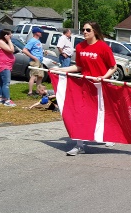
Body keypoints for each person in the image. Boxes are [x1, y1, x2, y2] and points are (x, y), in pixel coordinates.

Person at [56, 21, 118, 156]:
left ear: (94, 31)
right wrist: (61, 69)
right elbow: (79, 67)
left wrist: (103, 77)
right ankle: (79, 145)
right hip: (85, 87)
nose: (84, 32)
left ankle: (109, 136)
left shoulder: (103, 47)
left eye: (88, 30)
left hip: (101, 86)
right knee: (81, 113)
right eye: (83, 29)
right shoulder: (79, 47)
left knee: (103, 113)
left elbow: (113, 67)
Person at [0, 29, 16, 107]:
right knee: (6, 83)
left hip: (6, 64)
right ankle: (7, 100)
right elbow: (11, 50)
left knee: (2, 82)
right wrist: (9, 40)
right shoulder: (0, 42)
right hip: (3, 65)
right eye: (10, 34)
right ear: (5, 35)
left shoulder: (2, 42)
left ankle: (1, 98)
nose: (11, 35)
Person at [22, 27, 45, 97]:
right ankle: (30, 92)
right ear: (36, 33)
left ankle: (38, 91)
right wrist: (33, 57)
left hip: (40, 61)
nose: (41, 33)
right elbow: (24, 50)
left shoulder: (38, 41)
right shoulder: (32, 41)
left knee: (40, 76)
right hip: (34, 61)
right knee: (33, 76)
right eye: (40, 32)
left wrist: (44, 52)